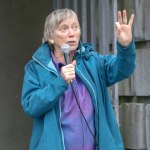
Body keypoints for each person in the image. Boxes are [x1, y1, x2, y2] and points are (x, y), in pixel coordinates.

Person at [21, 8, 135, 150]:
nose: (72, 33)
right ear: (50, 37)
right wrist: (60, 83)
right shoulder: (36, 68)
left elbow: (123, 69)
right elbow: (31, 106)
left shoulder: (92, 60)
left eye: (75, 27)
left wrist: (125, 46)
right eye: (64, 28)